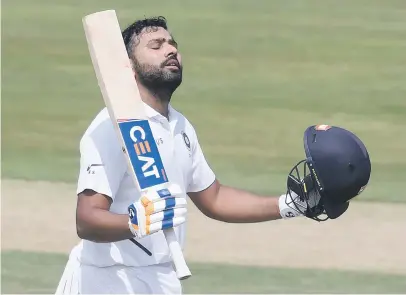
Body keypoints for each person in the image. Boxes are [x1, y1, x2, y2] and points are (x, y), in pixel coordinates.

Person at [55, 16, 370, 294]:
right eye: (156, 45)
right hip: (104, 281)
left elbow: (214, 198)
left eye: (172, 43)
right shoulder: (112, 128)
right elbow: (87, 220)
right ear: (129, 66)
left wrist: (288, 205)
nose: (170, 50)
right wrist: (136, 222)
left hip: (161, 280)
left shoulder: (180, 127)